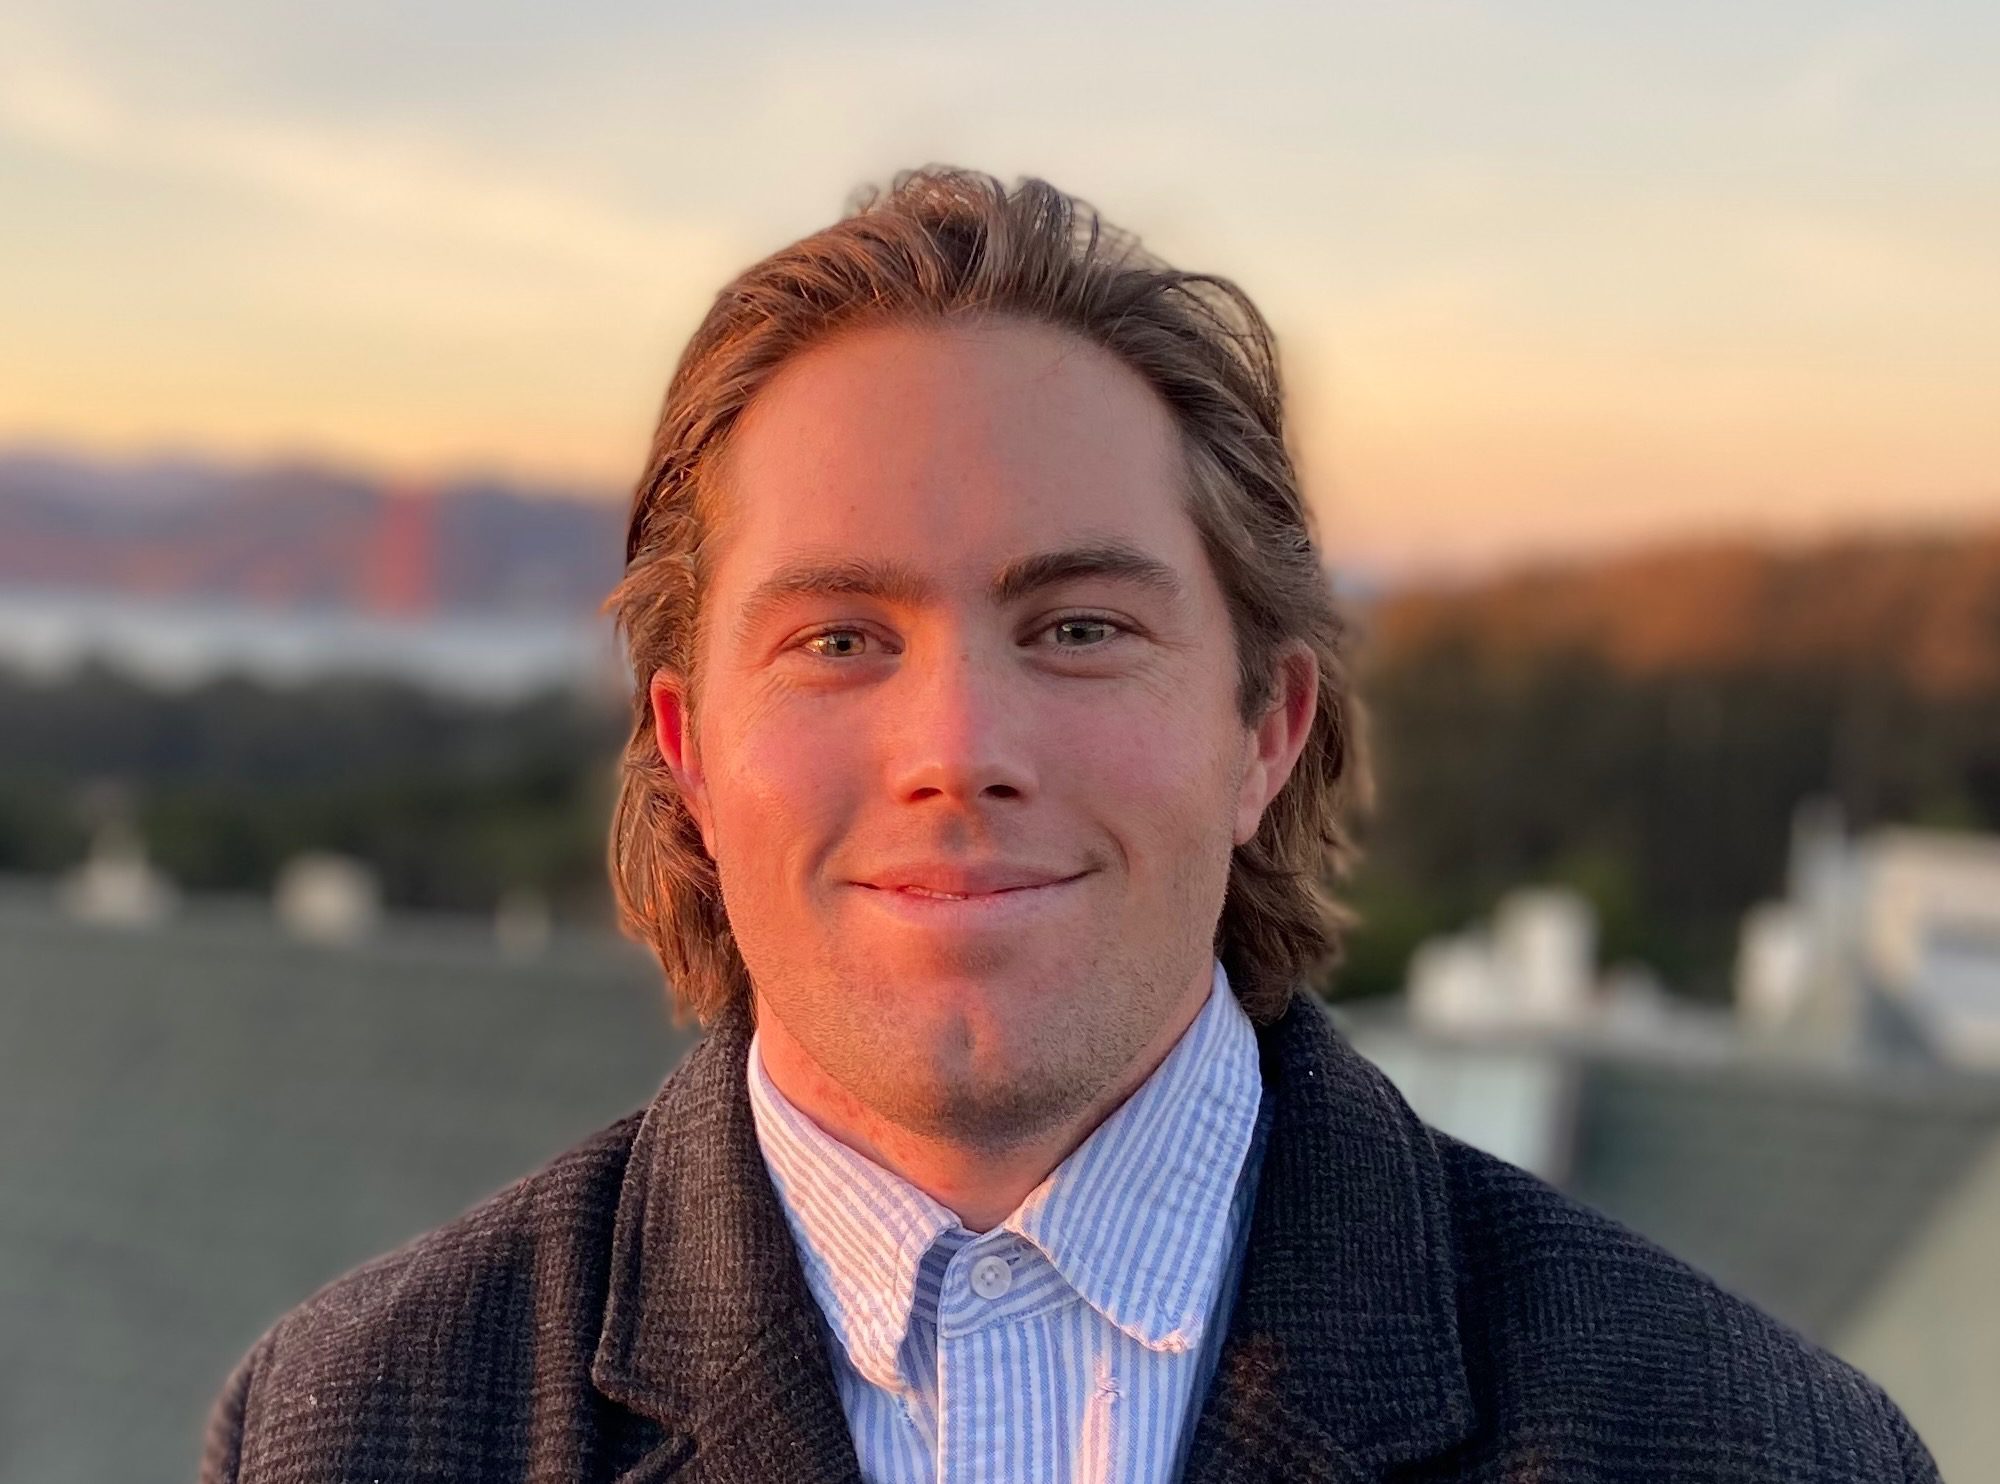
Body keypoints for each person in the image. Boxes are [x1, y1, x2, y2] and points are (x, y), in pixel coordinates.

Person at [200, 167, 1939, 1484]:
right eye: (840, 640)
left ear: (1268, 727)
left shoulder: (1750, 1446)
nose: (958, 748)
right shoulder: (350, 1432)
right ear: (689, 754)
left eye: (1080, 628)